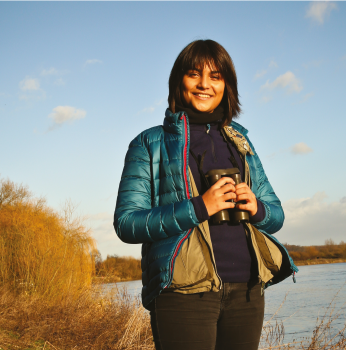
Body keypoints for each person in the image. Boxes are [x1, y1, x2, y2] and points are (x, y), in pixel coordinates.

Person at [114, 39, 297, 350]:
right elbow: (127, 223)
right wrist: (201, 206)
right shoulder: (149, 143)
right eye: (193, 74)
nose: (204, 85)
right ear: (177, 81)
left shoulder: (241, 142)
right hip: (184, 290)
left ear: (227, 85)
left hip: (248, 288)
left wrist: (256, 208)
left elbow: (276, 215)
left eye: (215, 76)